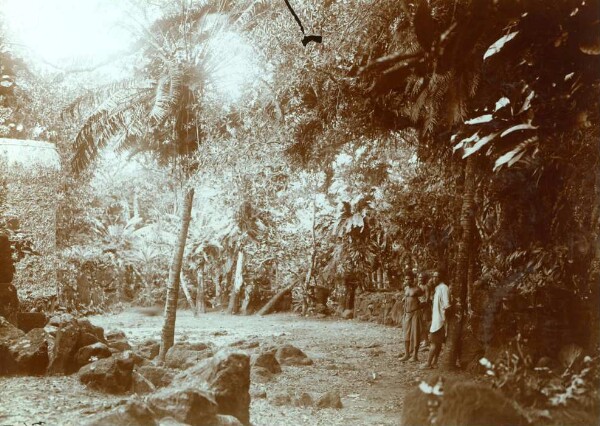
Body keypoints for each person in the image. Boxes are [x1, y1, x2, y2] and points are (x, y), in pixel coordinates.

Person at [422, 270, 450, 369]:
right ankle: (434, 362)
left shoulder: (444, 288)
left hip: (440, 321)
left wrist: (444, 320)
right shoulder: (438, 288)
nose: (433, 279)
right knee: (437, 343)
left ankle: (428, 363)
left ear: (440, 278)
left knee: (434, 343)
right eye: (433, 277)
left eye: (436, 277)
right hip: (436, 320)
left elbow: (447, 305)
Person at [399, 273, 424, 362]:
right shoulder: (406, 289)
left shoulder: (418, 289)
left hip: (415, 314)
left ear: (413, 279)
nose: (407, 281)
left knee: (415, 334)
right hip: (407, 314)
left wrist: (417, 307)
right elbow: (406, 299)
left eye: (409, 279)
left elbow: (424, 301)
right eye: (406, 279)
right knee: (406, 334)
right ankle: (407, 354)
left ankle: (415, 356)